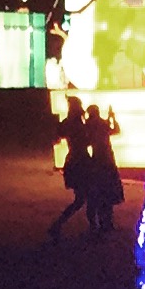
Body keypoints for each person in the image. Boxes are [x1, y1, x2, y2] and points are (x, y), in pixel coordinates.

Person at [49, 98, 93, 241]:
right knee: (85, 197)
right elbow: (87, 141)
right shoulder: (78, 124)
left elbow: (58, 135)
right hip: (82, 161)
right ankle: (59, 225)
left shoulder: (67, 123)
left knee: (82, 198)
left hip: (73, 161)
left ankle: (59, 224)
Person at [83, 107, 124, 236]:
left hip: (97, 161)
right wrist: (112, 118)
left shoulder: (90, 125)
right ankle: (107, 222)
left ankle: (100, 223)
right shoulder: (102, 123)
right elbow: (116, 130)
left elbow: (87, 142)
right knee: (108, 193)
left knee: (99, 193)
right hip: (108, 160)